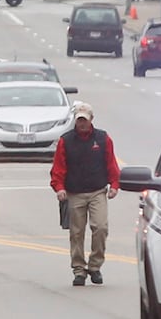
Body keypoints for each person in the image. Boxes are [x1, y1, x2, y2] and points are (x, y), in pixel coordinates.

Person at [49, 103, 119, 287]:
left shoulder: (103, 139)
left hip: (97, 191)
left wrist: (114, 185)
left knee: (101, 227)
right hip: (75, 193)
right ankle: (79, 269)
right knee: (77, 233)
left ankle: (95, 266)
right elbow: (58, 168)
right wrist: (59, 188)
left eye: (84, 120)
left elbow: (111, 163)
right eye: (79, 120)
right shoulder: (66, 141)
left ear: (91, 120)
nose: (82, 124)